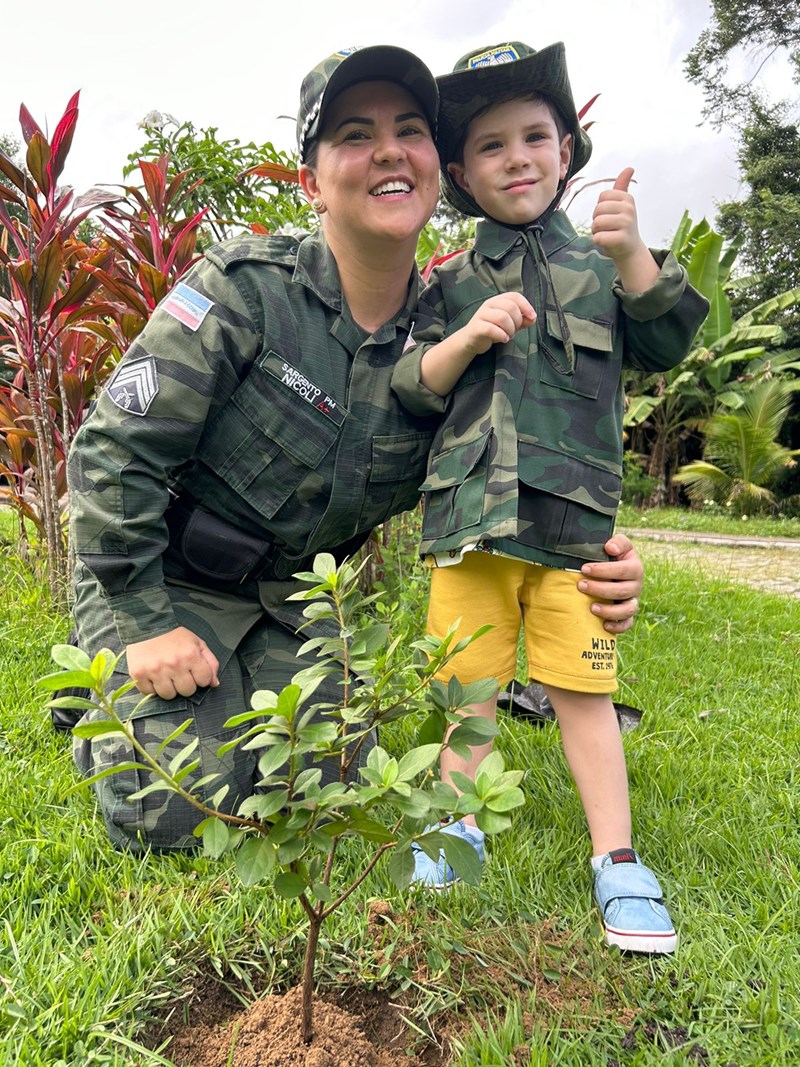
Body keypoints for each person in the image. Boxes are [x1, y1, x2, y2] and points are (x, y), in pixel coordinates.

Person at [67, 43, 646, 855]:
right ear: (311, 179)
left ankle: (197, 687)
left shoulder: (458, 330)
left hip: (294, 603)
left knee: (337, 788)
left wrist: (602, 555)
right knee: (182, 813)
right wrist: (142, 620)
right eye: (352, 134)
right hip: (165, 572)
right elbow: (108, 455)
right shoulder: (245, 290)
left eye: (409, 130)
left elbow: (543, 450)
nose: (386, 150)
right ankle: (96, 690)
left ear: (436, 172)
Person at [391, 41, 709, 953]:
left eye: (536, 137)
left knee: (583, 692)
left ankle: (618, 859)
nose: (518, 158)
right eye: (491, 146)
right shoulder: (448, 280)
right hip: (470, 528)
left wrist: (637, 255)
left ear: (566, 151)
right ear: (459, 173)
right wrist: (466, 339)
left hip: (576, 536)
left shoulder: (606, 267)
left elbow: (671, 341)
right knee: (467, 690)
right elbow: (412, 383)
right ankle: (456, 828)